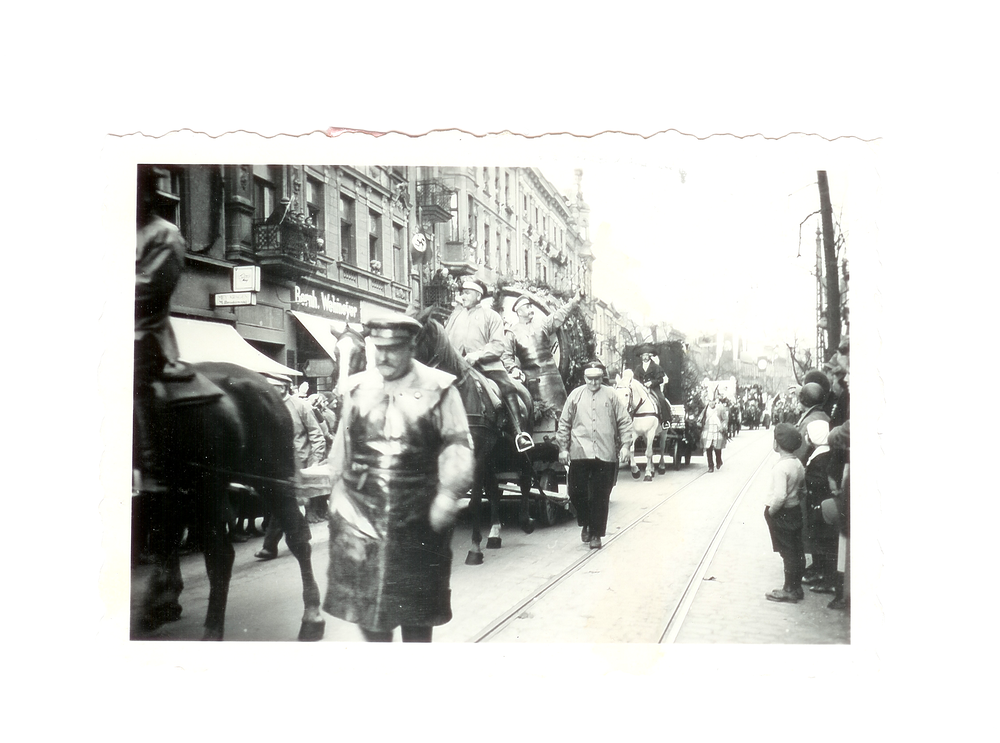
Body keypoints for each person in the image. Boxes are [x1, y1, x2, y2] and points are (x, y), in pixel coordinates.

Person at [323, 313, 475, 642]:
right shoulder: (358, 387)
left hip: (418, 514)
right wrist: (333, 489)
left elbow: (457, 444)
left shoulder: (440, 387)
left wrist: (448, 494)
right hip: (361, 512)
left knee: (417, 613)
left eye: (393, 349)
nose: (383, 356)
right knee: (367, 609)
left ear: (412, 346)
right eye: (378, 348)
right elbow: (342, 445)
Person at [134, 166, 193, 493]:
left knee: (133, 381)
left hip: (144, 333)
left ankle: (153, 466)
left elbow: (148, 287)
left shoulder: (166, 234)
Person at [445, 278, 532, 451]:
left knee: (507, 387)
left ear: (478, 295)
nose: (463, 296)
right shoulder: (455, 316)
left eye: (467, 293)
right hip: (458, 368)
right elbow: (446, 342)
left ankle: (519, 433)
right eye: (462, 293)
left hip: (487, 367)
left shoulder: (491, 316)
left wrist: (477, 355)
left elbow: (498, 345)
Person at [556, 360, 634, 550]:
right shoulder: (575, 396)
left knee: (600, 496)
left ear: (602, 378)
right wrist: (563, 448)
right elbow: (564, 423)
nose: (593, 383)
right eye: (589, 379)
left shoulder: (612, 396)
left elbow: (624, 421)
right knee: (576, 492)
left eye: (597, 379)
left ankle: (596, 535)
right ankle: (586, 522)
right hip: (579, 451)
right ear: (584, 378)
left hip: (605, 454)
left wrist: (625, 446)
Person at [255, 374, 327, 558]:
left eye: (273, 386)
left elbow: (316, 433)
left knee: (284, 502)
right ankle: (302, 536)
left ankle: (270, 546)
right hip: (277, 464)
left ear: (283, 387)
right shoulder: (268, 407)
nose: (269, 389)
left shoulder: (300, 405)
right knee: (285, 502)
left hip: (299, 462)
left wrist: (315, 461)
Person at [509, 289, 583, 412]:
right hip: (531, 385)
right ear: (519, 311)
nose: (531, 309)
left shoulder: (542, 323)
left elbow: (560, 314)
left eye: (531, 306)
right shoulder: (512, 333)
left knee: (561, 416)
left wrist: (574, 301)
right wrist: (513, 368)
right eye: (527, 307)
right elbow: (506, 356)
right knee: (536, 419)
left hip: (553, 381)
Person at [764, 423, 807, 603]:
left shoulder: (781, 467)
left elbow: (780, 495)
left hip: (782, 512)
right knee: (796, 549)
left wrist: (771, 512)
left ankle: (788, 588)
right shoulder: (797, 463)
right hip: (795, 510)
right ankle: (796, 587)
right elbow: (801, 488)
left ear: (778, 444)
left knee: (786, 551)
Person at [632, 345, 670, 428]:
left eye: (647, 355)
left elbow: (661, 379)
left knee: (662, 400)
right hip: (641, 389)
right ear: (641, 357)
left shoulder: (656, 367)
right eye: (643, 356)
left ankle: (665, 421)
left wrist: (652, 383)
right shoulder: (638, 368)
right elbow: (635, 380)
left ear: (650, 356)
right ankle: (630, 420)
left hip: (654, 389)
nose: (645, 357)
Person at [700, 398, 728, 472]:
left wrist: (723, 426)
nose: (711, 403)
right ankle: (710, 466)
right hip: (708, 431)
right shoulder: (705, 410)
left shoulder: (720, 409)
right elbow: (700, 418)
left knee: (717, 448)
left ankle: (719, 461)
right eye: (710, 401)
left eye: (713, 401)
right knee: (708, 449)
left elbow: (725, 419)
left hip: (717, 430)